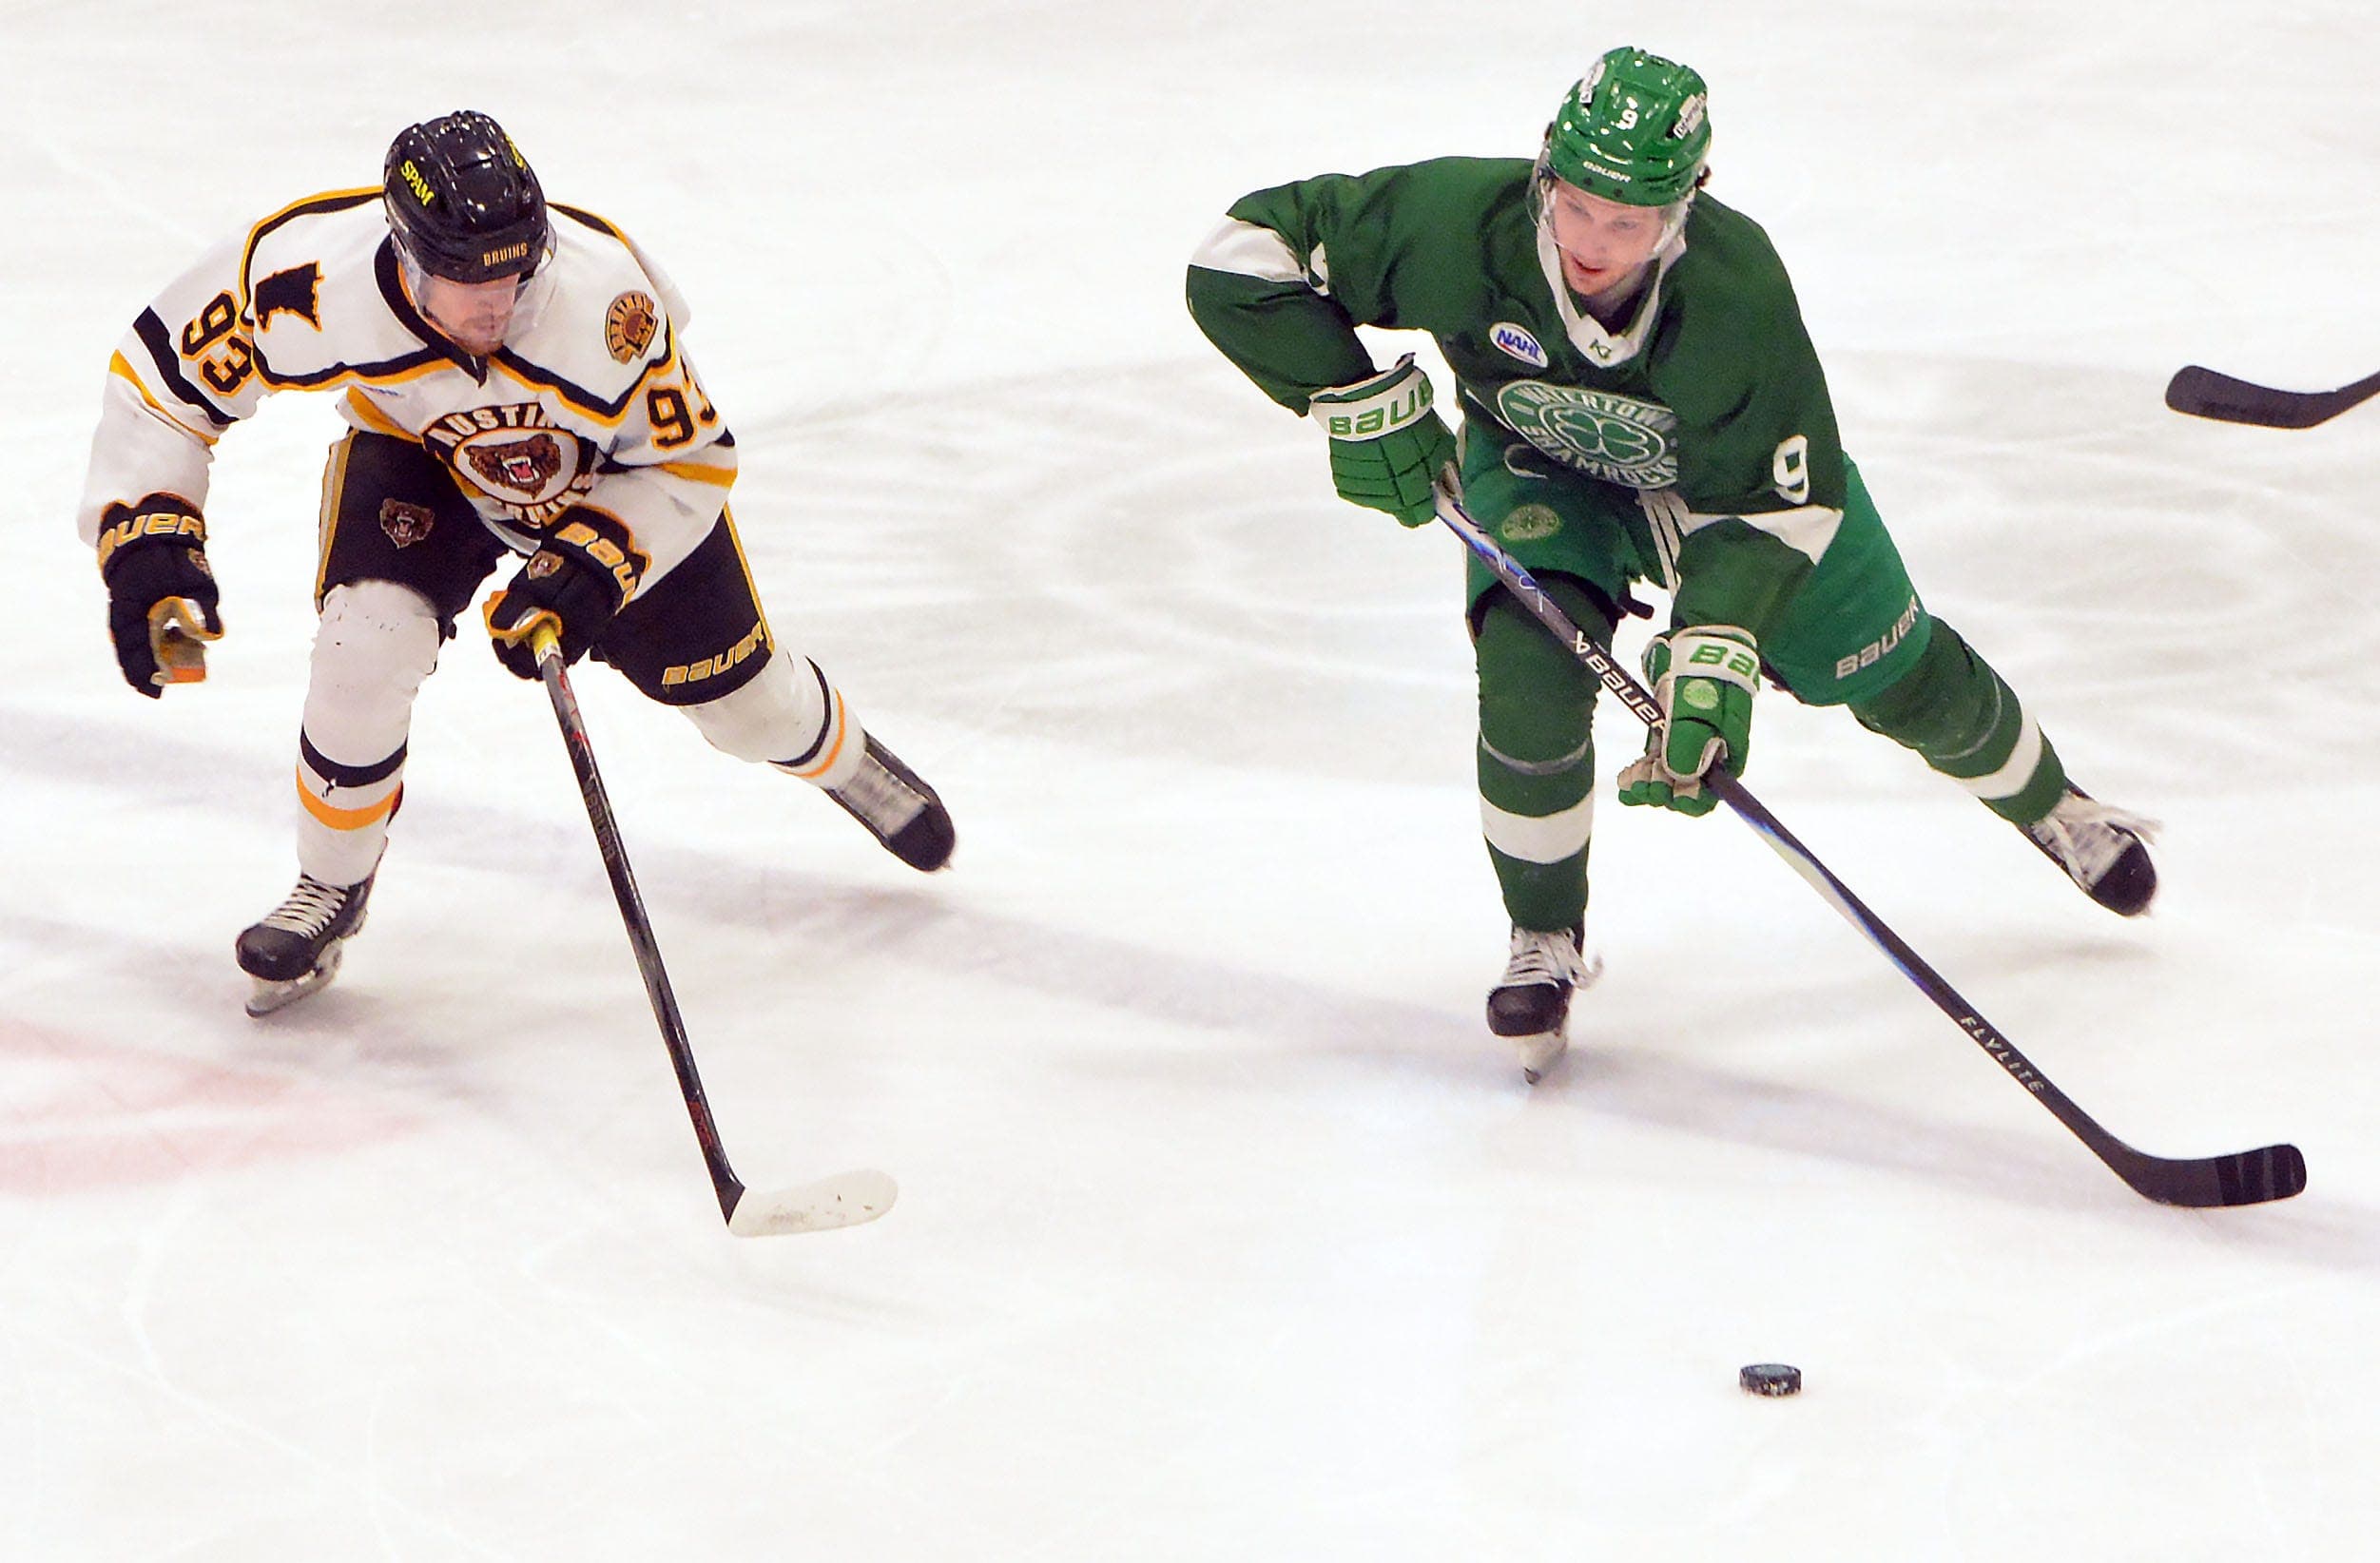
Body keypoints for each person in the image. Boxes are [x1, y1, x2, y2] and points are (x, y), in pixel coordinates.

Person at [1185, 46, 2156, 1079]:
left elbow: (1772, 511)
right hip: (1539, 463)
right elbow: (1240, 255)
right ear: (1543, 173)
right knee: (1526, 672)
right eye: (1577, 204)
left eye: (1629, 222)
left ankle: (2054, 805)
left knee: (1893, 672)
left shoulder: (1735, 293)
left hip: (1738, 498)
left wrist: (1712, 658)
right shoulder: (1454, 221)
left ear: (1684, 207)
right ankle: (1544, 937)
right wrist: (1350, 395)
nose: (1595, 242)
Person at [79, 110, 955, 1015]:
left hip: (609, 482)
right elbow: (160, 391)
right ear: (407, 252)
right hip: (426, 456)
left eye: (514, 271)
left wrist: (590, 560)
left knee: (743, 708)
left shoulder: (605, 304)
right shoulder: (304, 278)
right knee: (361, 649)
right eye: (466, 278)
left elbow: (690, 461)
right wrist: (151, 535)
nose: (496, 303)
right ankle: (331, 886)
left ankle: (846, 761)